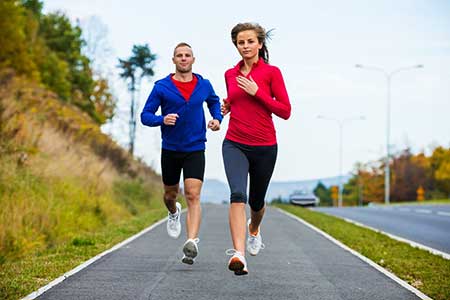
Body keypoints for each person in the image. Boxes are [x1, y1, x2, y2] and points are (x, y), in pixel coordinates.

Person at [141, 42, 222, 265]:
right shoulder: (162, 87)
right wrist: (161, 119)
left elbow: (214, 103)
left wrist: (216, 119)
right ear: (174, 60)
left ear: (193, 60)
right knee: (170, 195)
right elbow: (145, 115)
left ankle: (191, 243)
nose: (184, 58)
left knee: (193, 195)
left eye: (187, 55)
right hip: (170, 149)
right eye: (179, 55)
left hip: (195, 147)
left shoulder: (204, 85)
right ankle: (173, 211)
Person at [221, 23, 291, 275]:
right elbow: (233, 100)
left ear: (260, 44)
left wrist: (258, 92)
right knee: (237, 194)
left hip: (264, 146)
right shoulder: (230, 74)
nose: (246, 46)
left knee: (257, 201)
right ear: (236, 46)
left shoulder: (272, 73)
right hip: (234, 142)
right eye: (241, 42)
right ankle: (238, 254)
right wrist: (226, 106)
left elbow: (285, 111)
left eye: (250, 41)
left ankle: (254, 229)